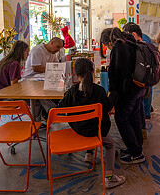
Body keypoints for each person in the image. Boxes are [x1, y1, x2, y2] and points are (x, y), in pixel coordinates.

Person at [58, 58, 125, 189]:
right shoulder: (99, 91)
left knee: (87, 123)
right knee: (110, 145)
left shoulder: (72, 91)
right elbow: (106, 108)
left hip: (78, 130)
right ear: (93, 71)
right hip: (95, 131)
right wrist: (114, 95)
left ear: (76, 75)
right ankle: (110, 178)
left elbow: (60, 108)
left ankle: (89, 154)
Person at [100, 28, 146, 164]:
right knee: (134, 117)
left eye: (106, 45)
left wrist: (114, 94)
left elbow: (119, 73)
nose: (108, 48)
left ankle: (136, 153)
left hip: (128, 91)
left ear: (109, 40)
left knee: (121, 119)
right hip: (138, 87)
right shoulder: (129, 41)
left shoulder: (118, 46)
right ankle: (136, 147)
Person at [22, 37, 64, 120]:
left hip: (41, 78)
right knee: (41, 92)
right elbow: (36, 68)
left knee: (57, 86)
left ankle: (50, 111)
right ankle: (53, 110)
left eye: (60, 48)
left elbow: (57, 66)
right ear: (51, 43)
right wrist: (53, 69)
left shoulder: (52, 53)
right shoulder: (38, 50)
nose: (58, 50)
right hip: (30, 79)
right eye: (57, 47)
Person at [123, 22, 152, 137]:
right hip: (147, 79)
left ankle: (137, 135)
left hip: (139, 82)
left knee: (135, 110)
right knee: (141, 105)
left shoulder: (137, 46)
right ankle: (143, 127)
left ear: (133, 34)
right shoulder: (147, 40)